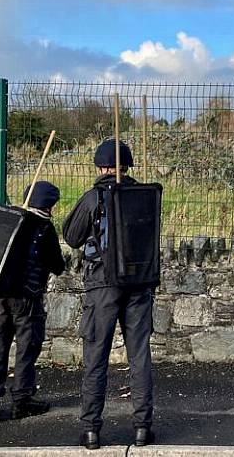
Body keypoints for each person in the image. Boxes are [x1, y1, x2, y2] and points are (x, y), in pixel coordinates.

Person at [63, 139, 157, 450]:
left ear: (102, 167)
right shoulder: (145, 196)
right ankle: (143, 427)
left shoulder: (94, 198)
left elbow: (72, 236)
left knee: (96, 356)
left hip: (102, 285)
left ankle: (91, 430)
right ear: (126, 166)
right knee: (139, 355)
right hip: (140, 284)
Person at [0, 181, 66, 424]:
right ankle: (22, 400)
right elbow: (58, 266)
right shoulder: (44, 228)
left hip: (0, 298)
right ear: (49, 204)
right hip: (27, 299)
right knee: (26, 349)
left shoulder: (7, 221)